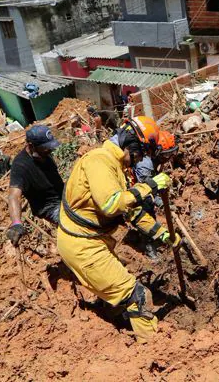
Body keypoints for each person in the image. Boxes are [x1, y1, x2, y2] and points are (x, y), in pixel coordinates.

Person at [57, 116, 178, 343]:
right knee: (138, 295)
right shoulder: (100, 162)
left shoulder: (114, 166)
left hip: (91, 241)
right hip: (83, 246)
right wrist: (150, 186)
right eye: (140, 154)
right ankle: (154, 347)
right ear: (131, 145)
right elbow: (112, 204)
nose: (138, 161)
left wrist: (161, 233)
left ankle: (116, 321)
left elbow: (130, 211)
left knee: (117, 288)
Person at [6, 126, 64, 245]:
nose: (49, 151)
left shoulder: (42, 154)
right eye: (45, 148)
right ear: (31, 145)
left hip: (63, 197)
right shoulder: (20, 166)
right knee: (73, 221)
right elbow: (14, 196)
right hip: (50, 207)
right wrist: (16, 223)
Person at [131, 130, 179, 260]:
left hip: (144, 187)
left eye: (171, 154)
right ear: (157, 151)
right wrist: (161, 203)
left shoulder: (156, 158)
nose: (168, 158)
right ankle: (148, 245)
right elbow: (146, 191)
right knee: (146, 212)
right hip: (135, 192)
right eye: (166, 154)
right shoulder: (145, 165)